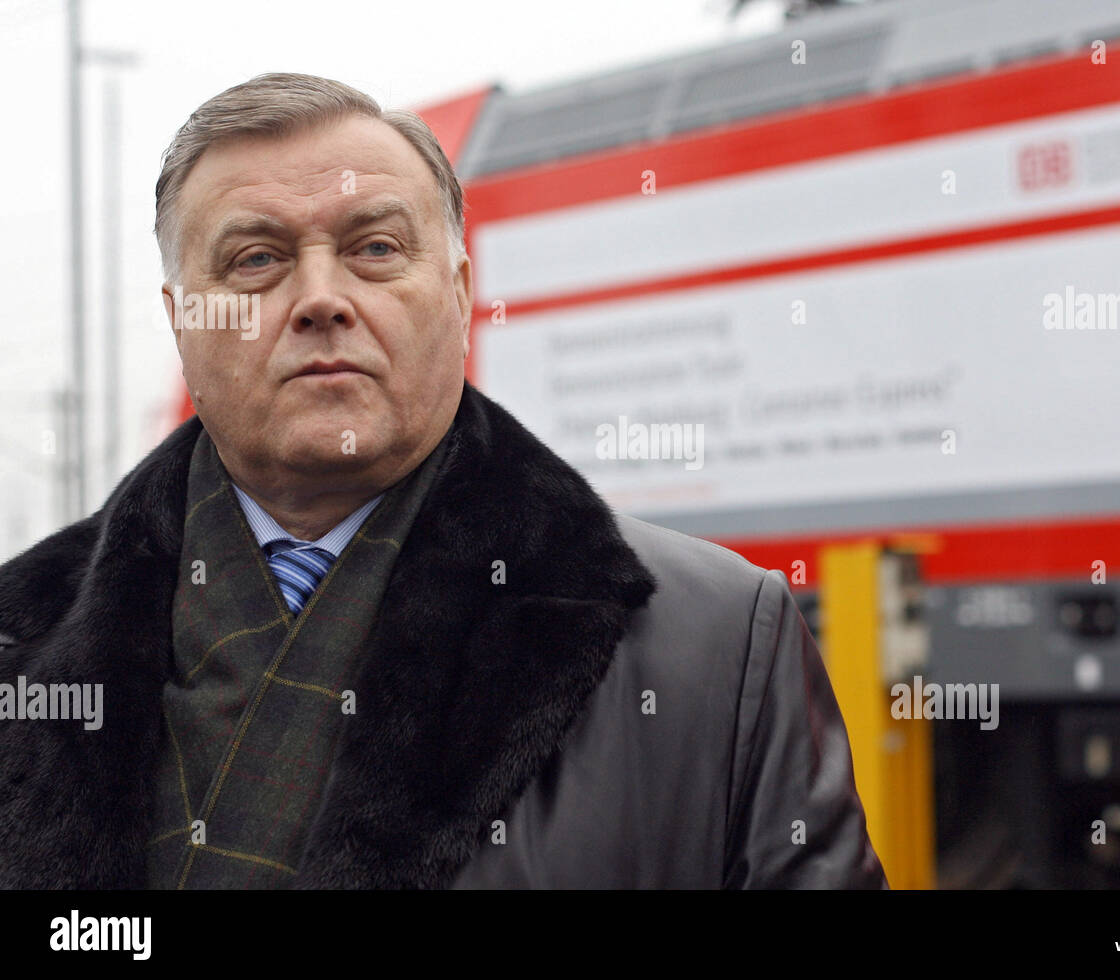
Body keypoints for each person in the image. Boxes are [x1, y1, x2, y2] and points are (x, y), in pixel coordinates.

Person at [0, 73, 887, 890]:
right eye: (256, 260)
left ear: (461, 291)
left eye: (376, 247)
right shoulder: (19, 639)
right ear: (181, 319)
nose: (320, 297)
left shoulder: (718, 644)